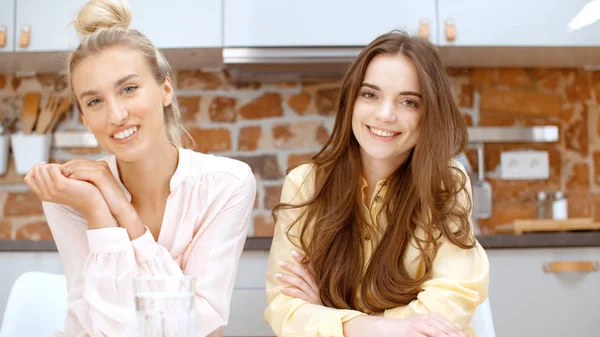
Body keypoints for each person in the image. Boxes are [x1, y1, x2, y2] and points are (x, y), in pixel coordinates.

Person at [23, 0, 256, 336]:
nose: (116, 115)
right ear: (85, 119)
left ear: (165, 89)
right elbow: (102, 326)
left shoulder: (226, 184)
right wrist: (94, 207)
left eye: (128, 89)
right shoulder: (70, 195)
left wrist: (122, 211)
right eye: (95, 101)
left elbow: (199, 320)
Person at [264, 31, 489, 337]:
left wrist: (330, 318)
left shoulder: (446, 183)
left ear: (429, 113)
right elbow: (284, 308)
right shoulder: (306, 184)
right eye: (370, 94)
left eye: (409, 102)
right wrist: (383, 326)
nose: (385, 115)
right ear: (351, 102)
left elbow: (447, 308)